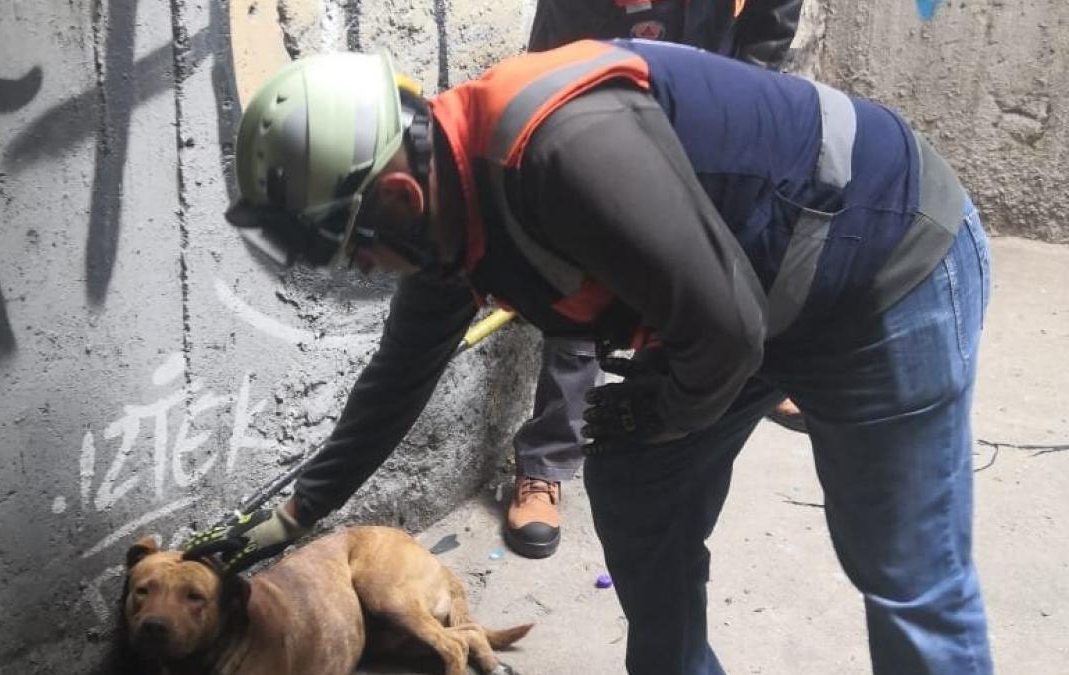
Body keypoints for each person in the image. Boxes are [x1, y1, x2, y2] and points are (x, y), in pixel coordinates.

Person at [187, 37, 994, 674]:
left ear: (397, 200)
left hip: (882, 264)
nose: (363, 272)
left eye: (354, 254)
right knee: (637, 480)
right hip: (747, 295)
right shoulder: (444, 218)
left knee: (906, 576)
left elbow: (727, 334)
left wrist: (658, 405)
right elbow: (398, 377)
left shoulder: (562, 152)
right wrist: (292, 515)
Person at [504, 0, 807, 560]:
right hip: (597, 78)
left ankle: (748, 378)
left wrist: (747, 81)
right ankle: (545, 463)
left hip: (706, 67)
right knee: (585, 259)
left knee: (731, 234)